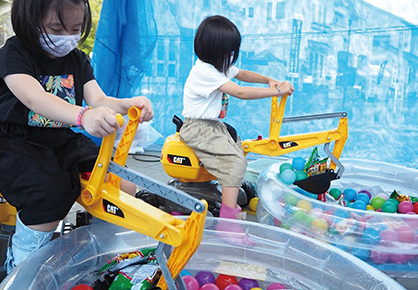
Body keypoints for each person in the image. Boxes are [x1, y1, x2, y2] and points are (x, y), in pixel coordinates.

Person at [0, 0, 153, 274]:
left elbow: (100, 99)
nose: (66, 37)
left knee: (121, 184)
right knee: (47, 196)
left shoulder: (77, 60)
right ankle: (21, 269)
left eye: (74, 28)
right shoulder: (14, 53)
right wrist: (83, 116)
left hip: (61, 139)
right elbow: (34, 98)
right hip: (17, 141)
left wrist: (129, 104)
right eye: (56, 28)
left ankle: (101, 255)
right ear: (29, 20)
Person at [180, 15, 294, 223]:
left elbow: (241, 74)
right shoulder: (205, 71)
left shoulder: (217, 66)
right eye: (229, 51)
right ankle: (228, 221)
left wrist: (268, 79)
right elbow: (240, 92)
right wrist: (276, 90)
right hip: (198, 128)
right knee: (235, 162)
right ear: (215, 50)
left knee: (238, 148)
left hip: (212, 125)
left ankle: (228, 192)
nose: (232, 56)